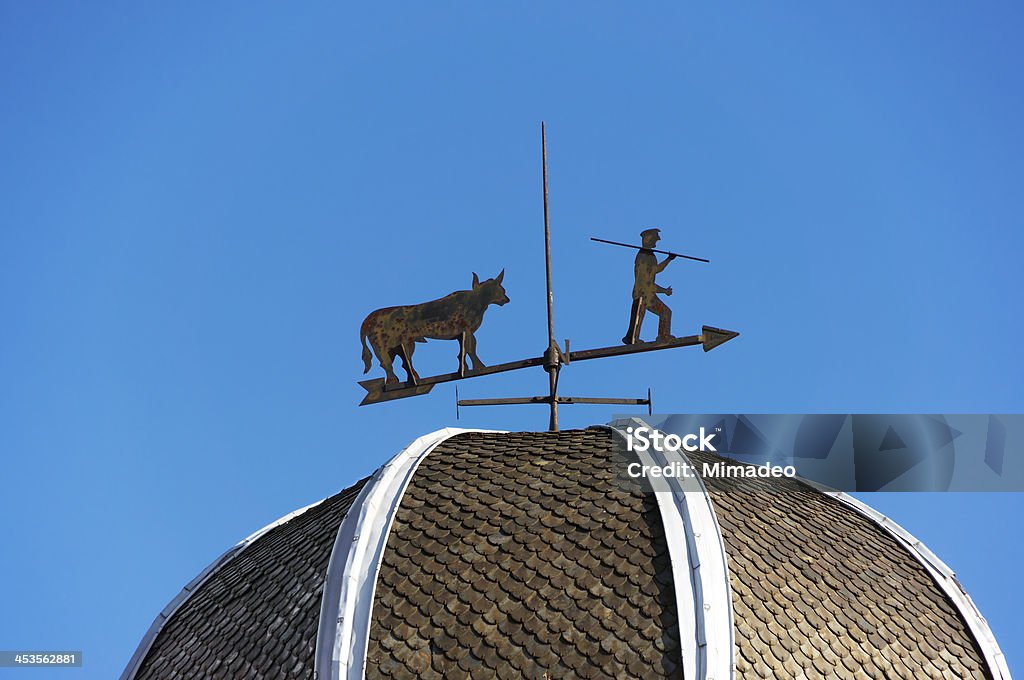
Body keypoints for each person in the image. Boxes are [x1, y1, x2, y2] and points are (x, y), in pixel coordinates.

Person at [622, 228, 676, 344]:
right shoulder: (643, 257)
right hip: (642, 294)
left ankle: (663, 336)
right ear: (649, 239)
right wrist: (664, 290)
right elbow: (647, 281)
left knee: (665, 313)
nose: (658, 240)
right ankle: (634, 339)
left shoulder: (650, 256)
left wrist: (668, 260)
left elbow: (655, 270)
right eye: (656, 238)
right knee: (638, 319)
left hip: (648, 294)